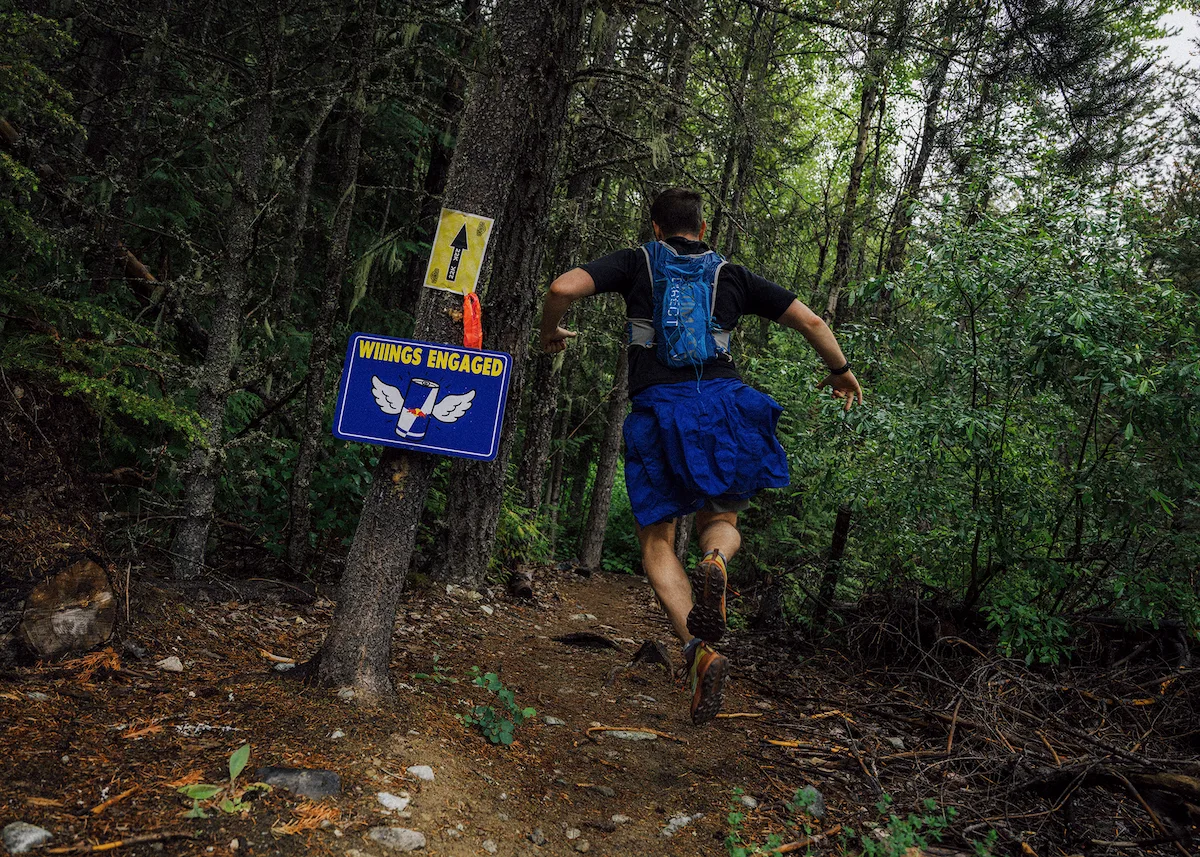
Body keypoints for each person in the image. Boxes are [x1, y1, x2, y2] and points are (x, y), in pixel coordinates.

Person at [538, 187, 862, 725]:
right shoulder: (731, 275)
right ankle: (716, 560)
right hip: (726, 406)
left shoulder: (636, 261)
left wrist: (552, 329)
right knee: (722, 519)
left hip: (659, 410)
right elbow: (811, 322)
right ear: (704, 229)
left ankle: (699, 651)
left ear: (656, 229)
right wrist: (839, 370)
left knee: (658, 541)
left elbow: (562, 286)